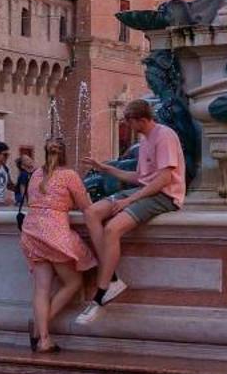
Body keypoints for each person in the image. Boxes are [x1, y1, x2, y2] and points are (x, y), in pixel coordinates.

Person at [78, 98, 186, 322]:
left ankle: (101, 293)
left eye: (130, 122)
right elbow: (139, 177)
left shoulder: (164, 136)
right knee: (91, 212)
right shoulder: (145, 139)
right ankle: (112, 275)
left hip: (164, 195)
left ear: (142, 120)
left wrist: (129, 201)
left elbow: (165, 178)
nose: (128, 126)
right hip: (145, 190)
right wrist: (106, 168)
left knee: (112, 229)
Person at [21, 137, 97, 353]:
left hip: (31, 231)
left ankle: (43, 338)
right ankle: (39, 329)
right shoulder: (69, 175)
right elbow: (86, 206)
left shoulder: (36, 174)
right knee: (73, 282)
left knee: (41, 288)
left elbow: (32, 201)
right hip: (53, 233)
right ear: (65, 154)